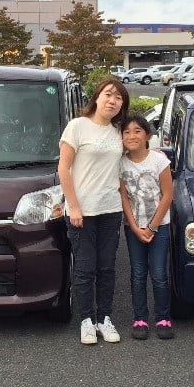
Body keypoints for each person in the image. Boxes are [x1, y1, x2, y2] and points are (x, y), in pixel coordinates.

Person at [58, 78, 129, 345]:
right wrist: (73, 206)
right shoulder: (77, 127)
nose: (113, 101)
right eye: (109, 94)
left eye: (119, 98)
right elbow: (63, 168)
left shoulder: (117, 131)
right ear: (97, 97)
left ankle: (104, 318)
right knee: (86, 268)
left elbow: (133, 153)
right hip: (82, 211)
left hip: (110, 209)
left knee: (107, 268)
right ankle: (87, 320)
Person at [118, 115, 174, 340]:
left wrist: (151, 227)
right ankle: (139, 317)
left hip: (160, 226)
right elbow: (123, 198)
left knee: (159, 274)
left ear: (148, 136)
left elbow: (167, 195)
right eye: (127, 132)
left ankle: (163, 317)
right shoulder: (120, 163)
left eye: (137, 131)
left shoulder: (159, 161)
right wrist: (134, 227)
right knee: (138, 274)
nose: (132, 136)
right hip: (133, 228)